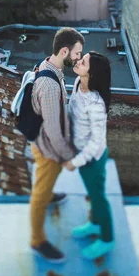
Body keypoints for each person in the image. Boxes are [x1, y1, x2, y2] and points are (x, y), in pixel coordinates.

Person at [30, 27, 84, 263]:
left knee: (45, 188)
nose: (79, 59)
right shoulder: (50, 84)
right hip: (48, 149)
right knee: (39, 196)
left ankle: (50, 194)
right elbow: (53, 130)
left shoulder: (48, 66)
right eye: (77, 53)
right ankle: (37, 240)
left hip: (39, 139)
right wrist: (66, 157)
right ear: (64, 51)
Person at [64, 51, 114, 260]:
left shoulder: (96, 104)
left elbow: (96, 143)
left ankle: (107, 239)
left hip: (91, 159)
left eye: (83, 62)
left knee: (98, 198)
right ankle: (94, 225)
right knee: (92, 195)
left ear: (91, 74)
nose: (78, 61)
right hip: (80, 152)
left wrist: (76, 162)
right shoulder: (77, 82)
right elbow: (71, 109)